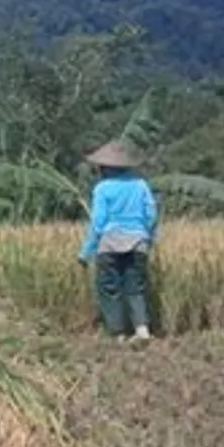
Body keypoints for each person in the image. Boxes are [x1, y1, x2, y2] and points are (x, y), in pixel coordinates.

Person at [77, 141, 158, 343]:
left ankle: (118, 334)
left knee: (110, 288)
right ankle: (142, 331)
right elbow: (152, 214)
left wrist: (86, 252)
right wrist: (148, 236)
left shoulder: (102, 189)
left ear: (105, 168)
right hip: (138, 242)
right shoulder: (141, 185)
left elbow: (98, 223)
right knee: (135, 287)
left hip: (109, 245)